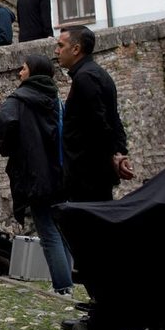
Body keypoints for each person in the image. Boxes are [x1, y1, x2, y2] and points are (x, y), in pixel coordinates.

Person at [0, 54, 73, 295]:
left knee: (48, 232)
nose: (20, 72)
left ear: (34, 72)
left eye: (24, 68)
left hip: (36, 174)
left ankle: (62, 286)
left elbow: (5, 123)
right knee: (63, 231)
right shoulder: (55, 98)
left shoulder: (19, 99)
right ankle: (66, 281)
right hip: (60, 172)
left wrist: (9, 148)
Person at [57, 25, 132, 202]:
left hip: (87, 175)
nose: (56, 51)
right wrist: (119, 151)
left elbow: (99, 123)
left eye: (60, 45)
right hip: (92, 172)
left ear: (76, 49)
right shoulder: (96, 73)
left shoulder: (86, 77)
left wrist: (114, 154)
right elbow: (113, 119)